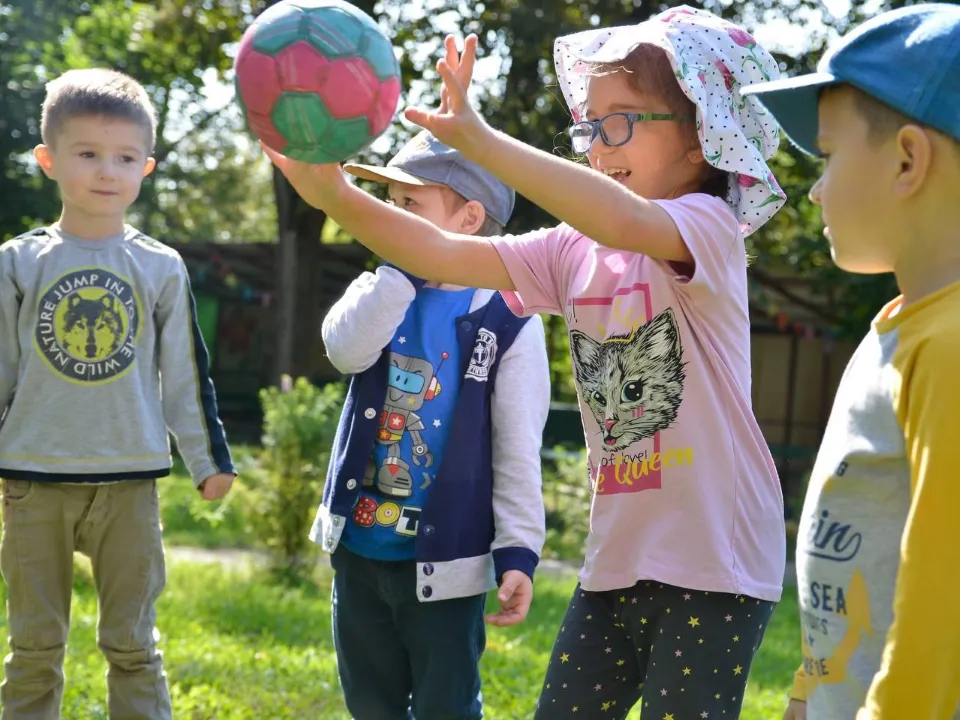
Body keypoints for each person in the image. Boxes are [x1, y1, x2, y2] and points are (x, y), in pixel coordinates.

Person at [267, 5, 789, 718]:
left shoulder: (707, 229)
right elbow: (441, 252)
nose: (598, 143)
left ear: (702, 138)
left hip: (716, 564)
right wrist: (330, 192)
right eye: (591, 124)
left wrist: (480, 140)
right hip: (616, 563)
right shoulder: (571, 250)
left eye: (622, 120)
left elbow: (625, 219)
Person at [741, 4, 960, 719]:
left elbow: (943, 604)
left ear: (906, 160)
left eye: (828, 157)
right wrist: (806, 691)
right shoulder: (893, 331)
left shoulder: (950, 345)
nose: (814, 187)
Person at [0, 68, 235, 720]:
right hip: (33, 479)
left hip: (129, 482)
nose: (107, 171)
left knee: (133, 645)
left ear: (146, 167)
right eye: (88, 154)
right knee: (34, 646)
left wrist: (208, 461)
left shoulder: (160, 266)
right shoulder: (18, 262)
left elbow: (186, 375)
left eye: (125, 157)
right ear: (48, 160)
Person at [309, 130, 551, 720]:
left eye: (410, 204)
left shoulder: (509, 317)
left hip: (448, 564)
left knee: (447, 705)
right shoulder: (380, 288)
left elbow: (518, 447)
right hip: (360, 550)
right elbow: (345, 351)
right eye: (390, 202)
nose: (392, 215)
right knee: (371, 702)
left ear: (469, 218)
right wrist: (399, 276)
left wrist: (518, 548)